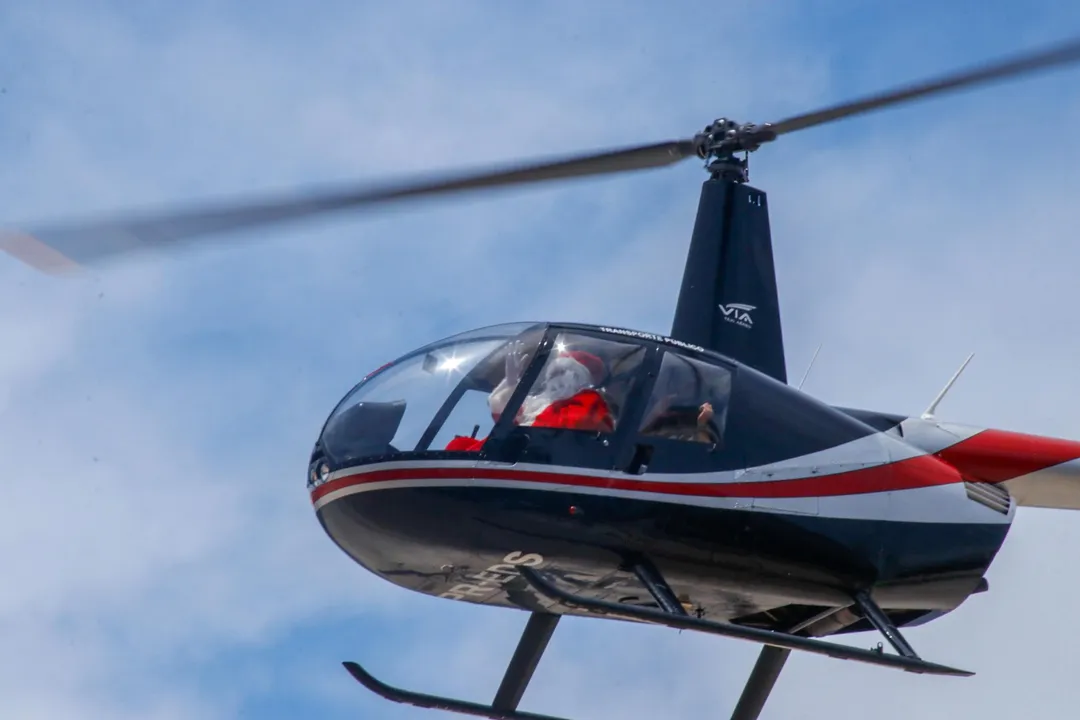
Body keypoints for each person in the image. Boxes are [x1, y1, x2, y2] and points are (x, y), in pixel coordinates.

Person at [445, 344, 613, 451]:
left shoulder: (587, 402)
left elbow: (550, 434)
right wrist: (511, 384)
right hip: (523, 453)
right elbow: (509, 422)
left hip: (543, 458)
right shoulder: (542, 402)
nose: (555, 381)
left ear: (577, 378)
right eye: (552, 375)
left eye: (561, 373)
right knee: (459, 447)